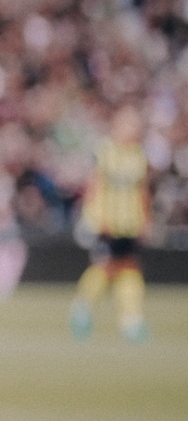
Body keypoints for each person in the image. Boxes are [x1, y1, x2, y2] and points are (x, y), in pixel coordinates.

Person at [71, 105, 152, 343]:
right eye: (129, 124)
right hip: (107, 223)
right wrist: (93, 217)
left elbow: (143, 192)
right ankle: (85, 307)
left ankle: (129, 319)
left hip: (130, 224)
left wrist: (146, 219)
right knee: (109, 266)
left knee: (128, 267)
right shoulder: (105, 152)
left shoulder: (139, 155)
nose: (134, 129)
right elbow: (93, 186)